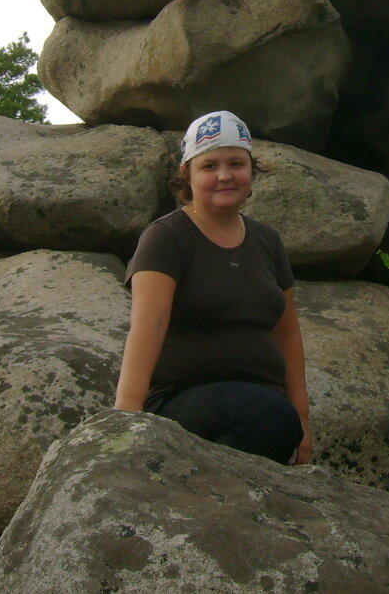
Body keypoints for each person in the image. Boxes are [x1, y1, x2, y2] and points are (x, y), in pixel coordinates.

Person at [114, 109, 312, 465]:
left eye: (236, 163)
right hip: (181, 402)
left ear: (251, 172)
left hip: (261, 406)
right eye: (209, 166)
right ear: (186, 175)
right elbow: (148, 324)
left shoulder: (267, 241)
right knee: (267, 415)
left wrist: (302, 420)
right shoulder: (167, 236)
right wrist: (126, 419)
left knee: (273, 417)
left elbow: (287, 334)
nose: (224, 176)